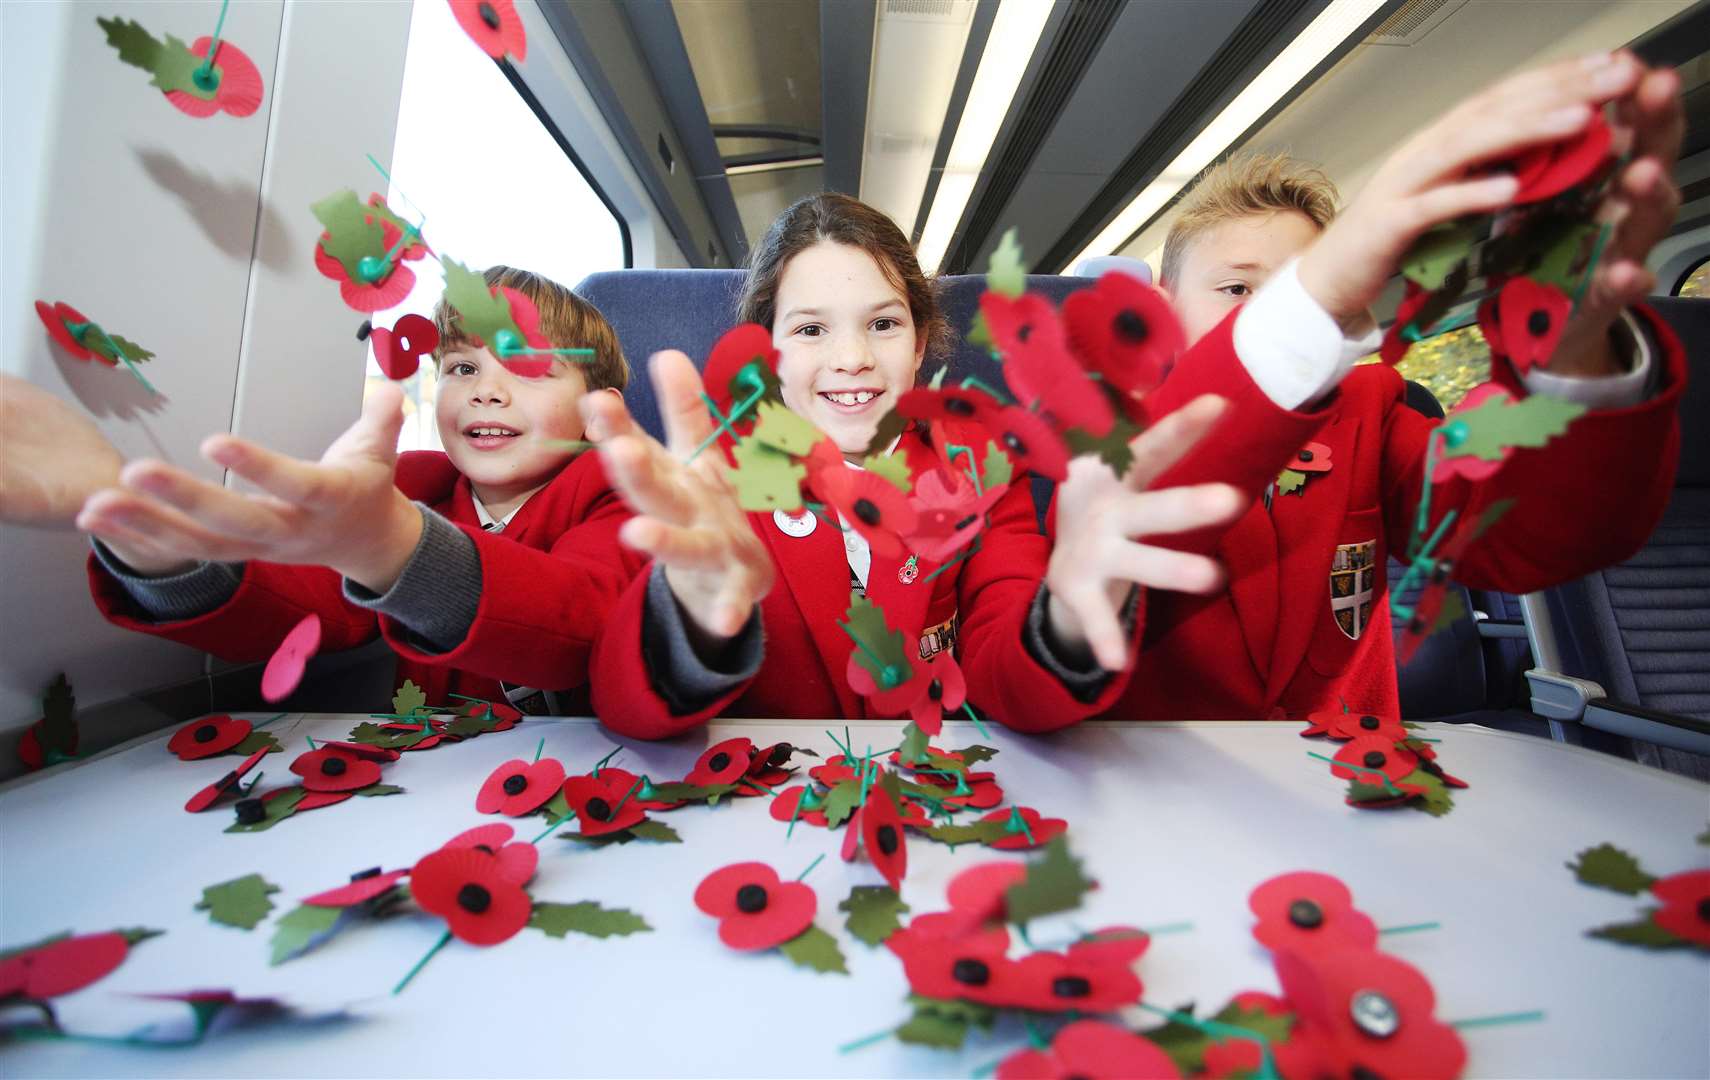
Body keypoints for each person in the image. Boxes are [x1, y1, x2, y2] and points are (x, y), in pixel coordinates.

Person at [1000, 50, 1687, 727]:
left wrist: (1576, 350)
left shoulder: (1375, 409)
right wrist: (1312, 298)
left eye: (1290, 292)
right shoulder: (1095, 427)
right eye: (1237, 288)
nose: (1257, 313)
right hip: (1154, 788)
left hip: (1342, 783)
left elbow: (1522, 537)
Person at [580, 193, 1243, 736]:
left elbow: (1012, 681)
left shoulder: (982, 471)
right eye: (812, 329)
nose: (852, 358)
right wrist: (689, 609)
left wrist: (1070, 613)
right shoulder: (713, 484)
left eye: (883, 325)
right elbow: (624, 704)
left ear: (921, 341)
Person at [46, 266, 647, 711]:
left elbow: (586, 619)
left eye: (528, 367)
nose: (485, 392)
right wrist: (171, 560)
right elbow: (296, 604)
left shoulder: (620, 493)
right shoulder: (412, 487)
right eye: (463, 368)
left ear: (601, 416)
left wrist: (400, 548)